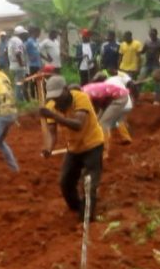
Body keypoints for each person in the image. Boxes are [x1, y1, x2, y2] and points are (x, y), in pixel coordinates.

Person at [40, 75, 105, 222]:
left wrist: (53, 116)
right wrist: (49, 148)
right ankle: (77, 207)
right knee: (65, 182)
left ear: (65, 90)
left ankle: (87, 217)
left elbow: (77, 124)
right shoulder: (51, 107)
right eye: (53, 98)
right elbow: (52, 133)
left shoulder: (80, 98)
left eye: (58, 96)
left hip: (92, 144)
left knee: (89, 183)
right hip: (74, 148)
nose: (56, 100)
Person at [80, 79, 130, 157]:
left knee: (103, 123)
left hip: (119, 98)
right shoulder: (83, 91)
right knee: (98, 122)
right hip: (107, 99)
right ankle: (125, 137)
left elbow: (90, 111)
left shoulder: (85, 95)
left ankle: (103, 152)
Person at [8, 26, 28, 102]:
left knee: (15, 84)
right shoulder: (18, 41)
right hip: (18, 66)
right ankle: (18, 101)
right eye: (24, 33)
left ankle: (16, 99)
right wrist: (21, 64)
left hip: (12, 65)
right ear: (20, 34)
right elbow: (18, 53)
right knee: (19, 84)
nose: (25, 35)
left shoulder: (11, 40)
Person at [25, 26, 42, 98]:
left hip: (38, 64)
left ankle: (39, 95)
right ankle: (33, 96)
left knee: (39, 81)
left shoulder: (37, 41)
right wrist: (29, 57)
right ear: (34, 32)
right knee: (33, 81)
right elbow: (24, 50)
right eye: (38, 32)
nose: (39, 34)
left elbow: (38, 52)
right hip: (32, 65)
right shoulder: (29, 41)